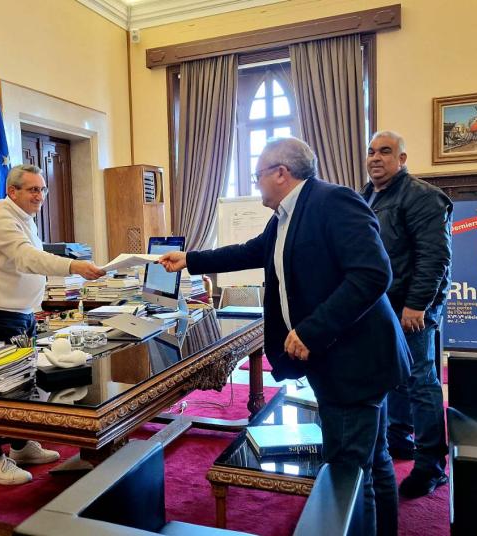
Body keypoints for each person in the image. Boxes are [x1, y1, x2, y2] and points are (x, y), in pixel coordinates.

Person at [159, 137, 409, 536]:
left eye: (258, 174)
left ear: (281, 173)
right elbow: (250, 251)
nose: (256, 182)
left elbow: (373, 274)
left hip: (355, 362)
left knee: (347, 472)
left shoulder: (333, 201)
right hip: (344, 359)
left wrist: (311, 330)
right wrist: (190, 260)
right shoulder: (285, 216)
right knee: (372, 460)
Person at [0, 164, 105, 485]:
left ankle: (20, 446)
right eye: (32, 189)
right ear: (12, 191)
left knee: (25, 384)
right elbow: (28, 258)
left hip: (20, 314)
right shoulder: (2, 219)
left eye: (42, 189)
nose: (40, 196)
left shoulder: (23, 217)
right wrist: (74, 266)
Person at [361, 131, 452, 499]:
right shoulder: (367, 194)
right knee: (392, 374)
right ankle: (400, 438)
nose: (375, 157)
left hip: (412, 306)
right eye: (371, 151)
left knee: (420, 379)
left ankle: (431, 467)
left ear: (401, 159)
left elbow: (435, 256)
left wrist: (417, 304)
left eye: (385, 151)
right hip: (380, 305)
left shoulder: (422, 195)